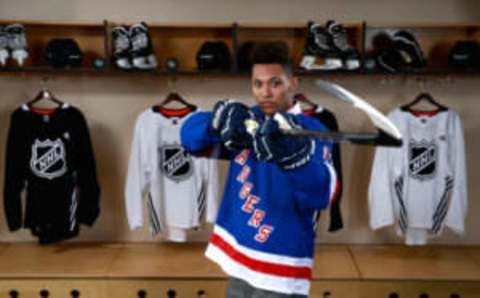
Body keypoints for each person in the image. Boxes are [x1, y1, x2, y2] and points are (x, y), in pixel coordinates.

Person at [180, 41, 339, 298]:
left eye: (275, 83)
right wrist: (215, 121)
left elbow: (324, 195)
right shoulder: (246, 120)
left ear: (293, 84)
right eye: (258, 84)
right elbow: (189, 139)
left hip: (282, 265)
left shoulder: (312, 130)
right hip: (239, 257)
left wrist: (295, 160)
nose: (265, 92)